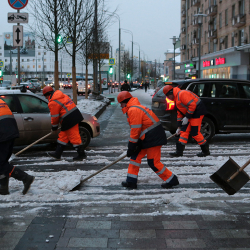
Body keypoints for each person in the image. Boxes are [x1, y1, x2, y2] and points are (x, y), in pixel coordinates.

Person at [117, 91, 179, 189]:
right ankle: (131, 181)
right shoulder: (134, 108)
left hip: (153, 137)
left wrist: (132, 145)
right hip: (147, 137)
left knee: (153, 162)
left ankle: (172, 179)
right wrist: (135, 145)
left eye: (121, 103)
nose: (121, 106)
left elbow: (135, 130)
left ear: (125, 101)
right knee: (135, 157)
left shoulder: (134, 110)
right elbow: (139, 129)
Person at [163, 85, 210, 157]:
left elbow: (192, 105)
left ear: (171, 93)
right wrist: (179, 127)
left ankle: (205, 151)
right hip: (190, 113)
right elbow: (179, 113)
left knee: (195, 133)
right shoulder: (176, 99)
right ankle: (179, 152)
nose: (167, 98)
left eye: (167, 96)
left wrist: (187, 117)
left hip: (197, 112)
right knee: (183, 131)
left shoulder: (182, 94)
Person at [0, 99, 35, 195]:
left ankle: (25, 178)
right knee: (3, 162)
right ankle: (3, 188)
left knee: (1, 163)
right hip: (11, 131)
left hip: (2, 134)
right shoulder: (1, 101)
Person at [43, 86, 86, 161]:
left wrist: (54, 127)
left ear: (48, 94)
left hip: (70, 119)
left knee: (74, 137)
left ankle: (82, 154)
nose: (46, 98)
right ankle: (57, 154)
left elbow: (55, 117)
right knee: (63, 137)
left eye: (45, 96)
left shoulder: (53, 102)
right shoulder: (62, 95)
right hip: (73, 116)